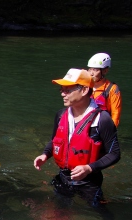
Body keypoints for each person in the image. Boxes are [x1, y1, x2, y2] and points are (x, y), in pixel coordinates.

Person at [33, 68, 120, 207]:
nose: (62, 94)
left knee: (101, 215)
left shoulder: (102, 119)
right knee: (57, 211)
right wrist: (45, 154)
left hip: (89, 181)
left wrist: (89, 168)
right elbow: (55, 141)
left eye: (67, 90)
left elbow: (115, 153)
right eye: (61, 89)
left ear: (85, 90)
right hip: (63, 177)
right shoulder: (61, 115)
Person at [87, 53, 122, 127]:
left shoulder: (112, 89)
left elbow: (115, 114)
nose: (91, 73)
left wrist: (111, 131)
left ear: (105, 71)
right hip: (85, 125)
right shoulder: (85, 86)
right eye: (89, 69)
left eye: (95, 70)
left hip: (103, 127)